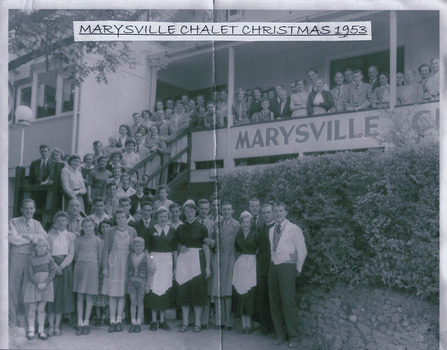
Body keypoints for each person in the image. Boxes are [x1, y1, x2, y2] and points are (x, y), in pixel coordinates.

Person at [269, 202, 307, 348]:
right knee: (275, 302)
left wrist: (297, 269)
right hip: (274, 267)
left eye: (280, 211)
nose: (278, 213)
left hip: (287, 267)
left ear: (286, 212)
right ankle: (280, 334)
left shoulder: (294, 229)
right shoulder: (271, 230)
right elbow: (273, 250)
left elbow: (302, 250)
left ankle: (294, 336)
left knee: (288, 302)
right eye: (275, 211)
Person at [9, 199, 47, 328]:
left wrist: (28, 236)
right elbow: (14, 239)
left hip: (31, 258)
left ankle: (27, 323)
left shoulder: (37, 223)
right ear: (21, 209)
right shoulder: (13, 222)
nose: (28, 211)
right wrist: (33, 239)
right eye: (26, 208)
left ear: (35, 209)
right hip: (17, 256)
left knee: (28, 289)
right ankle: (12, 319)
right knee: (13, 288)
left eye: (31, 208)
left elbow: (43, 237)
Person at [176, 200, 211, 333]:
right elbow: (177, 245)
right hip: (184, 262)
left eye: (192, 211)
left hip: (198, 261)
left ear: (195, 212)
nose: (189, 214)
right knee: (184, 292)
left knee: (198, 293)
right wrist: (181, 247)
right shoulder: (180, 228)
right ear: (183, 213)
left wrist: (207, 267)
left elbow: (206, 248)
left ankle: (197, 323)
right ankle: (185, 322)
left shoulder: (201, 227)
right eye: (187, 211)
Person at [102, 209, 138, 332]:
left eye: (123, 217)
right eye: (118, 218)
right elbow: (106, 250)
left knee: (122, 293)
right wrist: (105, 267)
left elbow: (135, 250)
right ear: (115, 219)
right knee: (113, 293)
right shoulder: (110, 231)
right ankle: (112, 321)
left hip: (126, 264)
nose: (121, 220)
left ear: (127, 218)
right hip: (114, 263)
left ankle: (119, 320)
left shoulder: (132, 231)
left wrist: (134, 267)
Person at [146, 207, 178, 331]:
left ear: (168, 217)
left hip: (167, 262)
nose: (163, 219)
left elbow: (175, 250)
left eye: (165, 216)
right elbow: (146, 249)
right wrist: (149, 261)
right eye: (161, 216)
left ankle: (163, 320)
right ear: (156, 217)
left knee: (165, 289)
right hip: (154, 260)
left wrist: (175, 267)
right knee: (154, 289)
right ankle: (154, 320)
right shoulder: (150, 229)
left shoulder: (172, 230)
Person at [211, 201, 240, 330]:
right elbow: (213, 243)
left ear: (233, 211)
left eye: (229, 209)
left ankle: (228, 321)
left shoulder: (237, 225)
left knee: (228, 292)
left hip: (231, 258)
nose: (227, 212)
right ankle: (219, 320)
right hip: (218, 258)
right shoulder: (216, 225)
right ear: (221, 211)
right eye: (224, 209)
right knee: (217, 291)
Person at [47, 211, 76, 337]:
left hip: (65, 266)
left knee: (61, 297)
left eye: (63, 220)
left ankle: (57, 326)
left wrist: (62, 266)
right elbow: (47, 251)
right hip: (52, 265)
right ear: (55, 222)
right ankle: (50, 327)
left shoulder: (71, 236)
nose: (61, 222)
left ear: (67, 222)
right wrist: (54, 266)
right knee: (51, 295)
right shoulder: (49, 235)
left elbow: (71, 254)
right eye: (58, 220)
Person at [73, 216, 103, 335]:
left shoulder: (98, 241)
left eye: (90, 226)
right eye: (85, 226)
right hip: (80, 267)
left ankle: (86, 322)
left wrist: (97, 269)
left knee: (89, 297)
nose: (88, 228)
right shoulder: (78, 240)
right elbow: (75, 256)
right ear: (82, 227)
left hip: (92, 268)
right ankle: (80, 322)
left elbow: (100, 258)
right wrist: (80, 264)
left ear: (94, 226)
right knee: (80, 296)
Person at [23, 237, 55, 341]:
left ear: (47, 247)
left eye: (44, 246)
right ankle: (31, 330)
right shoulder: (31, 259)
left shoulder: (50, 258)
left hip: (46, 285)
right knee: (32, 308)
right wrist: (38, 284)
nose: (42, 248)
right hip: (34, 285)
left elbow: (52, 272)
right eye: (39, 246)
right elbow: (30, 274)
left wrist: (45, 283)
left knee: (41, 309)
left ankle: (41, 330)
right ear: (35, 248)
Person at [232, 211, 258, 334]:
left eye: (248, 222)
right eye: (243, 222)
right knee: (241, 292)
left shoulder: (255, 235)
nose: (246, 224)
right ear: (241, 223)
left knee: (249, 293)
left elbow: (259, 250)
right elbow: (236, 248)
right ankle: (243, 324)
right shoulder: (238, 235)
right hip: (241, 263)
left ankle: (249, 324)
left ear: (251, 223)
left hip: (252, 263)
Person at [127, 237, 155, 333]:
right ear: (133, 247)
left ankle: (138, 322)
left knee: (140, 303)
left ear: (143, 246)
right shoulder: (129, 256)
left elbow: (150, 272)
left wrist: (148, 285)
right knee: (133, 302)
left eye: (140, 246)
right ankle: (133, 322)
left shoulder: (147, 257)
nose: (138, 247)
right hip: (131, 282)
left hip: (142, 282)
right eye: (136, 246)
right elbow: (127, 270)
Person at [256, 203, 275, 336]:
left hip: (273, 267)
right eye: (264, 213)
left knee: (273, 297)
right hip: (262, 267)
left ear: (273, 213)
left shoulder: (276, 228)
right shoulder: (261, 227)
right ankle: (265, 326)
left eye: (268, 212)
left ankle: (274, 327)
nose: (266, 215)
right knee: (262, 297)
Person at [92, 219, 112, 327]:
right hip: (98, 269)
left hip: (110, 268)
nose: (105, 229)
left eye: (107, 226)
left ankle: (108, 316)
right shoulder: (97, 239)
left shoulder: (112, 238)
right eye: (103, 227)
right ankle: (98, 316)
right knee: (98, 293)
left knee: (108, 293)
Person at [144, 124, 168, 193]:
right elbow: (145, 147)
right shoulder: (148, 139)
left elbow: (164, 150)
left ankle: (154, 190)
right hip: (148, 158)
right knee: (147, 172)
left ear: (157, 130)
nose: (153, 131)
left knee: (154, 173)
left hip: (156, 158)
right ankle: (148, 191)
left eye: (154, 129)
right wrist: (150, 149)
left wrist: (157, 148)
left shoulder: (160, 139)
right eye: (151, 130)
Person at [28, 144, 52, 209]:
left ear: (48, 152)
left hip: (48, 190)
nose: (44, 153)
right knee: (37, 207)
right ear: (39, 152)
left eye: (45, 151)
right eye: (42, 151)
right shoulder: (34, 163)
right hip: (37, 190)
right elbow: (31, 177)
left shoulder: (53, 163)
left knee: (47, 208)